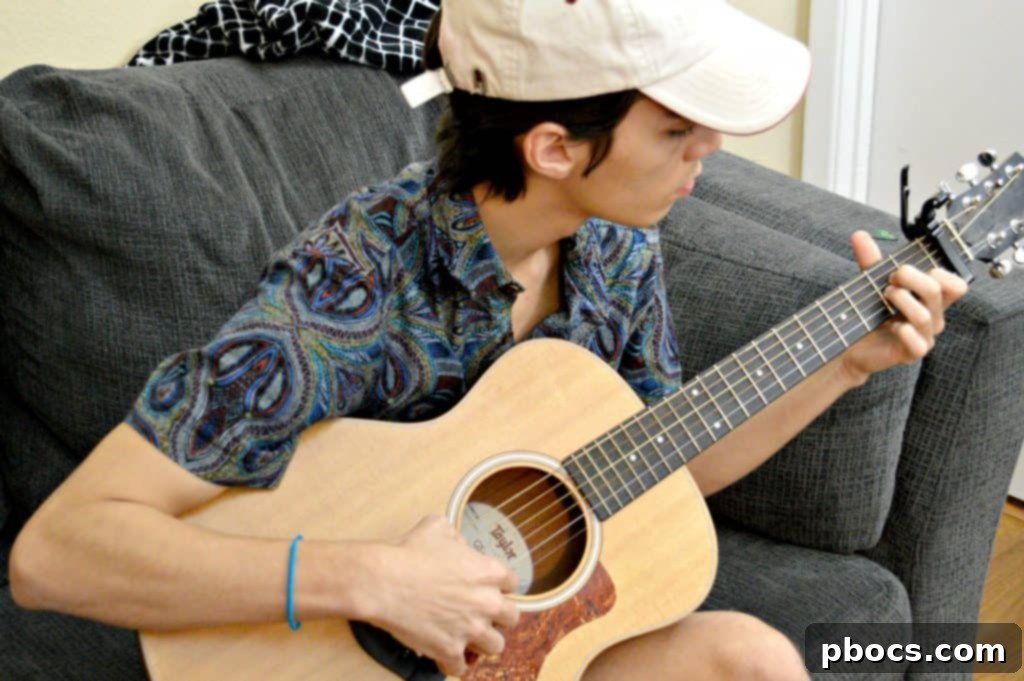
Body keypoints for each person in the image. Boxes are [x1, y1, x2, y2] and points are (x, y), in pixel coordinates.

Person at [10, 0, 968, 679]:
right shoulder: (352, 283)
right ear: (553, 148)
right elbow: (54, 555)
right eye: (677, 128)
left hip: (521, 650)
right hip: (339, 652)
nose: (707, 151)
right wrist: (376, 578)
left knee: (754, 659)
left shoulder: (617, 247)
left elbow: (653, 464)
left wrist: (845, 362)